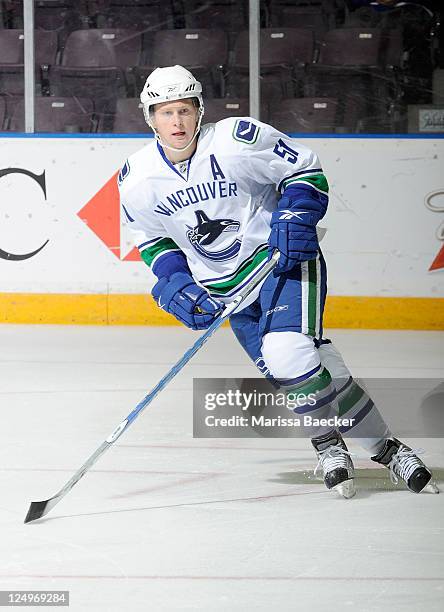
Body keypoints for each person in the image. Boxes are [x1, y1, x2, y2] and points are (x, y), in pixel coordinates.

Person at [118, 64, 437, 498]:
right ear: (149, 117)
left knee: (287, 354)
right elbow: (153, 241)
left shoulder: (235, 140)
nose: (177, 122)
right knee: (311, 373)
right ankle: (388, 449)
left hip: (281, 263)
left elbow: (304, 169)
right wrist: (176, 281)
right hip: (228, 293)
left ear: (199, 110)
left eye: (185, 110)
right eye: (165, 112)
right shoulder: (136, 179)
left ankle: (328, 445)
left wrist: (295, 214)